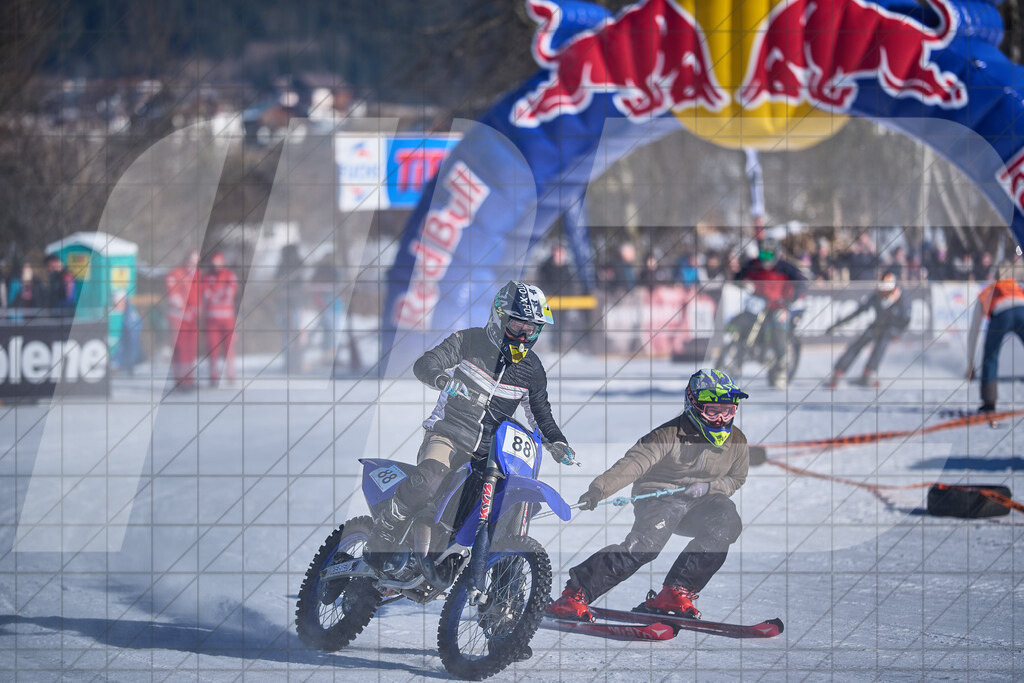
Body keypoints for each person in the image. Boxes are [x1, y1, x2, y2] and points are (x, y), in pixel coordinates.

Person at [366, 281, 576, 572]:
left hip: (492, 452)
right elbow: (426, 363)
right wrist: (442, 380)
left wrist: (557, 442)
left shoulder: (533, 370)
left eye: (533, 329)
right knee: (431, 477)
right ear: (498, 317)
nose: (525, 335)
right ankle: (385, 529)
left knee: (499, 504)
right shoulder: (469, 341)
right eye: (518, 325)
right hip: (448, 434)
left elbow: (540, 412)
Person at [548, 369, 749, 622]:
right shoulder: (667, 435)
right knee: (645, 547)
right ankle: (575, 594)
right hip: (659, 496)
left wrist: (710, 488)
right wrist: (600, 489)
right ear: (694, 406)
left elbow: (737, 478)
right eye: (712, 411)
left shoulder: (737, 441)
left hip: (700, 503)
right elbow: (633, 464)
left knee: (727, 520)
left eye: (728, 411)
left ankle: (676, 591)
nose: (720, 420)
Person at [734, 237, 807, 389]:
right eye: (763, 255)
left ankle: (781, 365)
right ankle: (736, 358)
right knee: (741, 321)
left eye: (768, 256)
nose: (765, 259)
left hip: (779, 306)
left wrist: (790, 299)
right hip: (759, 304)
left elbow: (801, 283)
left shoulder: (785, 268)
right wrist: (740, 283)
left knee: (778, 325)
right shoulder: (753, 265)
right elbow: (738, 276)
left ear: (776, 254)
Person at [827, 271, 912, 389]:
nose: (883, 293)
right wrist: (838, 324)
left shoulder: (902, 298)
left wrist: (898, 332)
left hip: (892, 327)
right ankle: (838, 372)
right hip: (878, 324)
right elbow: (860, 310)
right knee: (859, 342)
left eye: (885, 291)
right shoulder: (876, 296)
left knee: (882, 342)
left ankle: (869, 373)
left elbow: (906, 318)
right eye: (881, 290)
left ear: (893, 289)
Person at [966, 262, 1024, 413]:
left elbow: (974, 332)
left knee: (990, 356)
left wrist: (971, 364)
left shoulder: (986, 292)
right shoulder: (1015, 286)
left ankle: (989, 403)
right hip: (1022, 309)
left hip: (1001, 314)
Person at [166, 249, 201, 390]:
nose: (193, 263)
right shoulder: (176, 274)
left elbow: (199, 295)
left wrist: (197, 309)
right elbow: (174, 296)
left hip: (191, 319)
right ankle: (180, 380)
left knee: (190, 351)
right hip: (178, 319)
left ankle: (189, 380)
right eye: (192, 260)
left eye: (196, 260)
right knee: (180, 351)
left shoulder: (197, 275)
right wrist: (186, 309)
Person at [201, 252, 238, 387]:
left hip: (227, 319)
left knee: (229, 348)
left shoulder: (229, 276)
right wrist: (217, 294)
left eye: (218, 262)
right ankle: (213, 375)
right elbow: (207, 295)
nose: (215, 265)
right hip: (212, 320)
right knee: (212, 348)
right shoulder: (206, 278)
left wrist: (216, 294)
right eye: (213, 262)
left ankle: (230, 374)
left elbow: (229, 293)